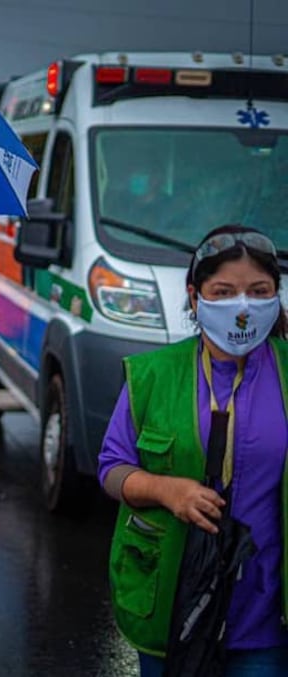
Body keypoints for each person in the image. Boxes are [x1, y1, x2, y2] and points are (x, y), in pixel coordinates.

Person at [99, 225, 288, 676]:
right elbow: (112, 469)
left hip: (264, 610)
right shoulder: (154, 376)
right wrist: (167, 491)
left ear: (275, 297)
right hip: (172, 602)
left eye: (258, 291)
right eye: (223, 292)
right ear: (195, 294)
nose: (242, 306)